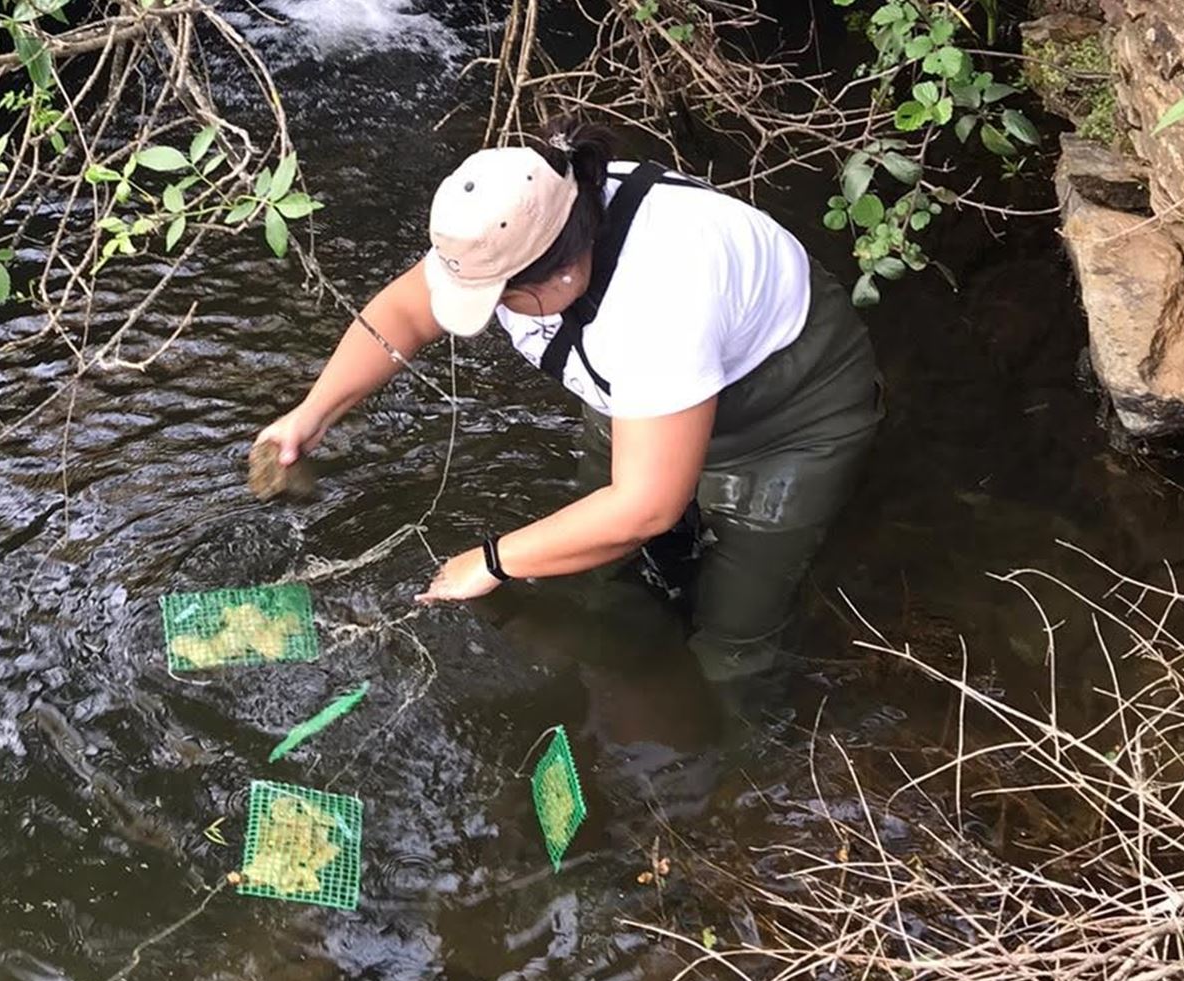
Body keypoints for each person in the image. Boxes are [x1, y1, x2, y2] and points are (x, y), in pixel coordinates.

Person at [255, 115, 884, 684]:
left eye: (504, 300)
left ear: (564, 272)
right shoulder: (513, 217)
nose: (493, 313)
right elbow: (402, 313)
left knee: (731, 632)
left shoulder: (661, 296)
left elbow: (643, 507)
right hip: (637, 394)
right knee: (599, 577)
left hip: (788, 418)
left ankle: (722, 772)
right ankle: (622, 677)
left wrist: (491, 561)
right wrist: (313, 413)